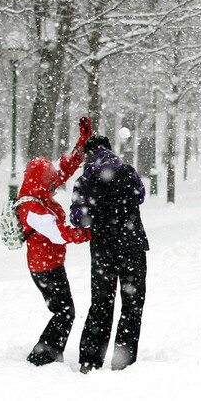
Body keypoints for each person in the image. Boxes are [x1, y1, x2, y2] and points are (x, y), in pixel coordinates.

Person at [71, 134, 149, 373]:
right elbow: (140, 196)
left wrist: (96, 210)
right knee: (132, 304)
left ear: (88, 155)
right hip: (132, 245)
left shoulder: (84, 180)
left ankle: (89, 360)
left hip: (103, 249)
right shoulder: (128, 172)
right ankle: (123, 361)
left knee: (101, 303)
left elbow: (78, 219)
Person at [19, 117, 92, 366]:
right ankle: (43, 357)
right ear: (41, 181)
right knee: (64, 312)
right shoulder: (31, 207)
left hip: (51, 262)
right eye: (50, 183)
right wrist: (86, 234)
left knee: (64, 311)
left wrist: (81, 145)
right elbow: (57, 233)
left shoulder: (38, 188)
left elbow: (62, 169)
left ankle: (48, 354)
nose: (55, 185)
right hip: (44, 268)